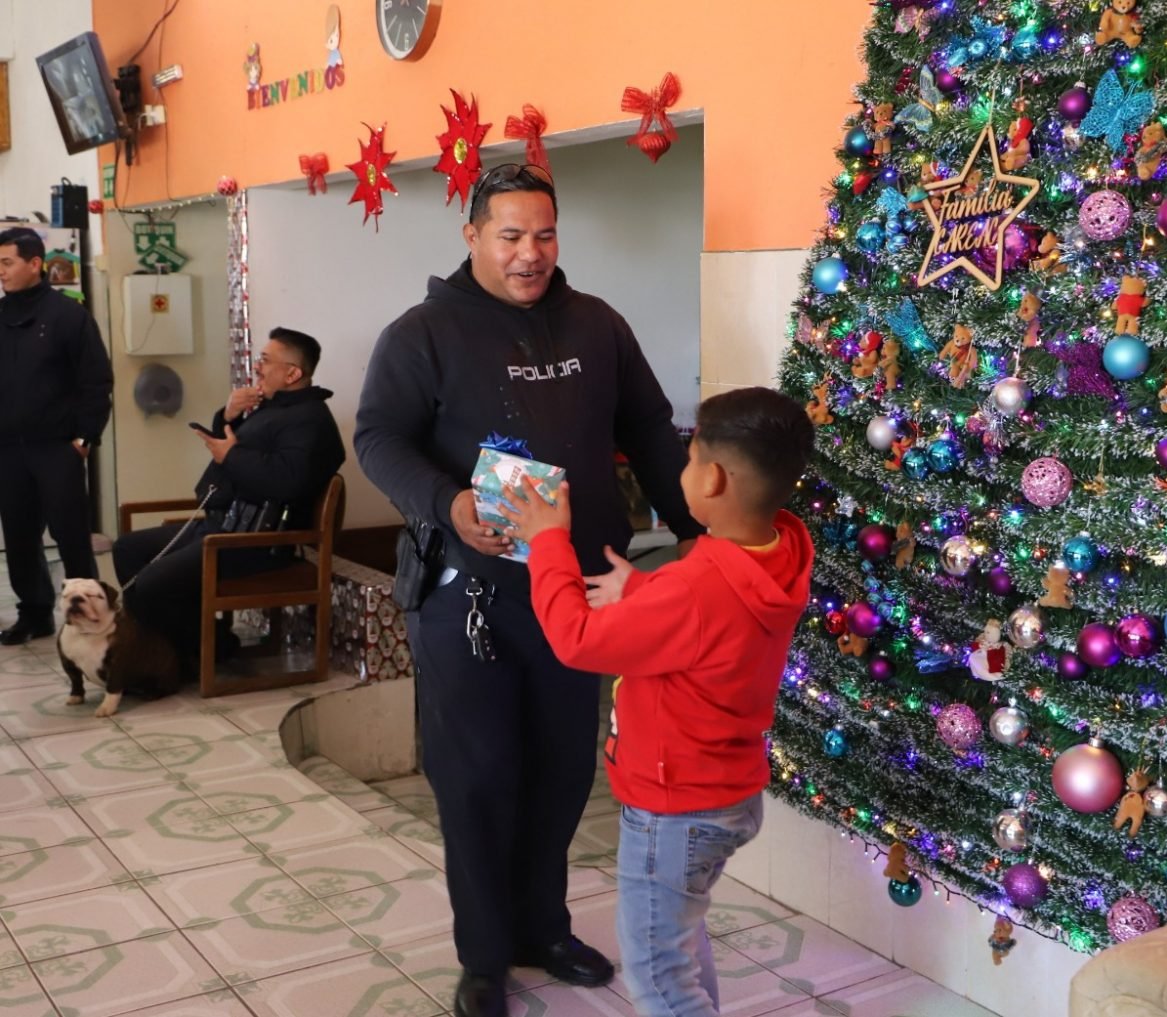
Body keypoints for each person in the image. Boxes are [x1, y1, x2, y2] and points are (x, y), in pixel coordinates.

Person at [354, 163, 702, 1017]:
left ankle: (543, 926)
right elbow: (378, 437)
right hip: (469, 595)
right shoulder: (422, 333)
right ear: (472, 235)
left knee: (560, 768)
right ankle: (483, 954)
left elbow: (649, 429)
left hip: (577, 596)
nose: (529, 254)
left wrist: (700, 533)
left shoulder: (597, 323)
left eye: (544, 235)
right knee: (476, 778)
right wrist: (449, 503)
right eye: (509, 236)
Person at [500, 386, 815, 1017]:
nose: (684, 471)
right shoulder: (782, 548)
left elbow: (576, 639)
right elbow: (716, 621)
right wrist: (645, 590)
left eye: (690, 459)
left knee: (657, 976)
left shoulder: (694, 586)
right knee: (679, 945)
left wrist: (549, 542)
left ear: (714, 479)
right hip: (726, 795)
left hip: (675, 808)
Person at [112, 327, 345, 666]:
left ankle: (212, 649)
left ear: (292, 373)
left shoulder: (311, 420)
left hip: (254, 542)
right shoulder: (273, 407)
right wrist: (229, 416)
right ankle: (170, 650)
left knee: (152, 584)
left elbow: (287, 481)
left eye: (265, 360)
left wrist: (231, 456)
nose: (258, 367)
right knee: (127, 549)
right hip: (221, 527)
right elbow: (238, 449)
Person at [0, 226, 113, 646]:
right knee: (19, 534)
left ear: (35, 264)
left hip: (57, 446)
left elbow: (96, 381)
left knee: (71, 535)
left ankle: (89, 612)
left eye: (7, 262)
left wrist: (84, 439)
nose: (1, 272)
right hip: (9, 448)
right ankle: (34, 613)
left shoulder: (68, 316)